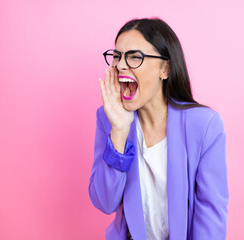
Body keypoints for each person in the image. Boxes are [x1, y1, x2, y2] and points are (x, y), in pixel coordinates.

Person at [88, 18, 228, 240]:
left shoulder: (204, 125)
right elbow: (105, 202)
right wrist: (119, 131)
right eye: (117, 56)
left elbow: (211, 216)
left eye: (135, 57)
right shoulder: (108, 119)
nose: (121, 65)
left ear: (165, 68)